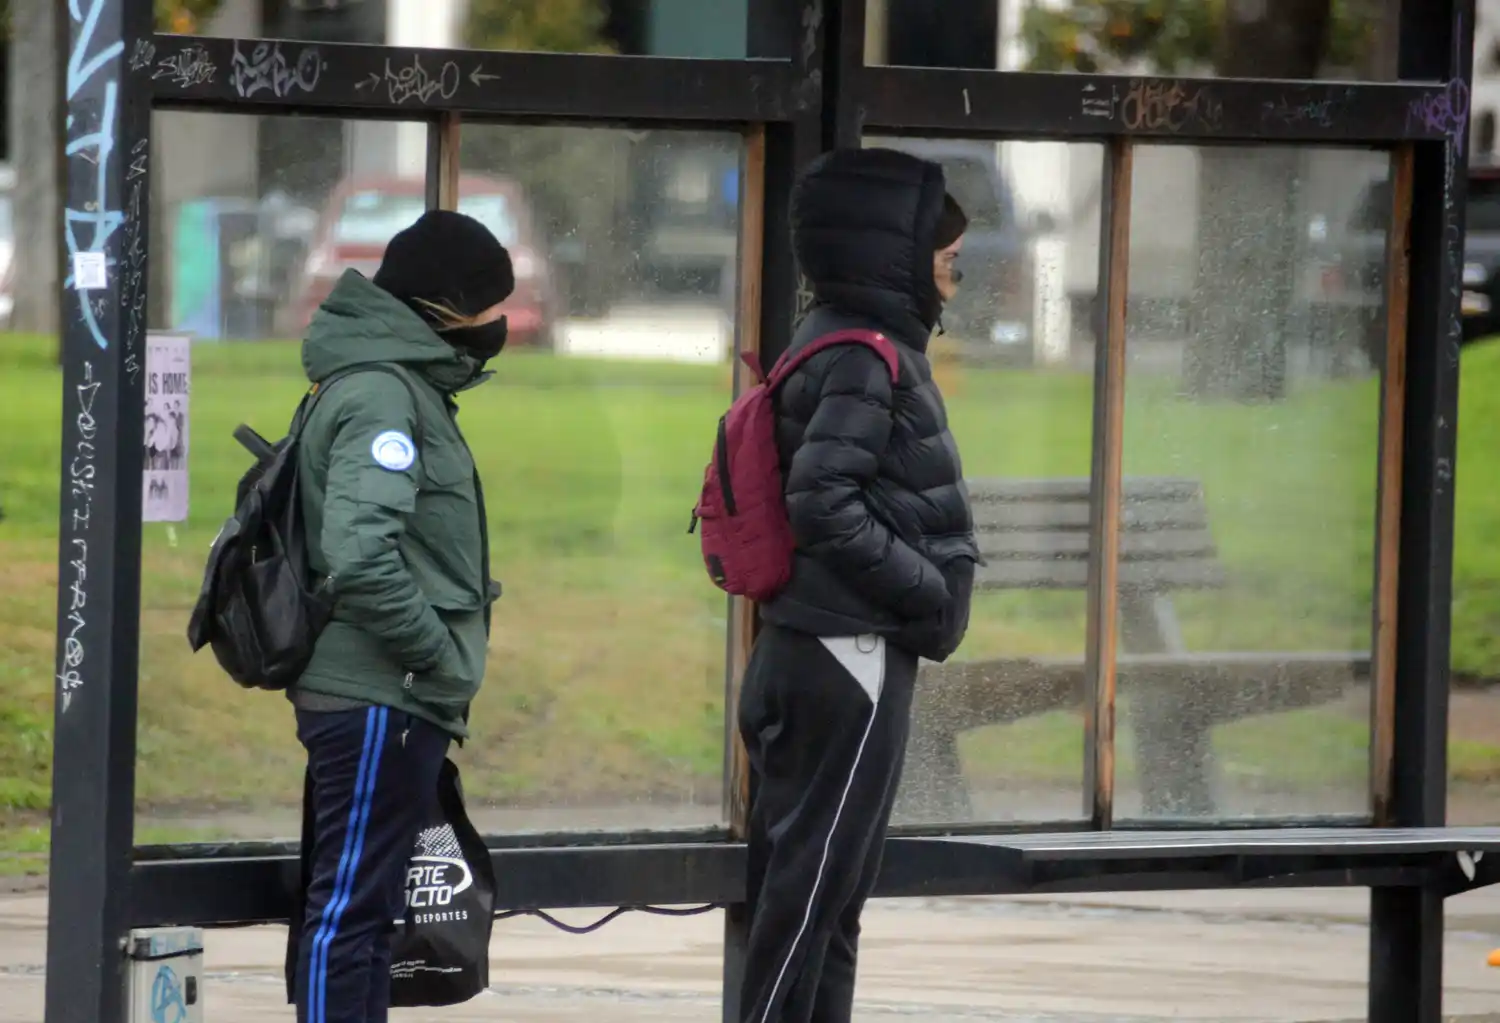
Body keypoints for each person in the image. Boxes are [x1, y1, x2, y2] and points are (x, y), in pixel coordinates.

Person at [736, 147, 977, 1023]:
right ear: (897, 256)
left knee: (825, 901)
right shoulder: (868, 358)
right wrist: (926, 590)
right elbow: (822, 499)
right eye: (947, 258)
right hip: (849, 658)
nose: (953, 278)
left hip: (813, 651)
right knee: (808, 903)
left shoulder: (830, 340)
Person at [287, 209, 511, 1023]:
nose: (497, 325)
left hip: (389, 692)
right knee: (349, 914)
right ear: (443, 306)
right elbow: (359, 553)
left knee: (372, 914)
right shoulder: (384, 395)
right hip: (379, 692)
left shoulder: (399, 384)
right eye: (487, 306)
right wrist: (434, 656)